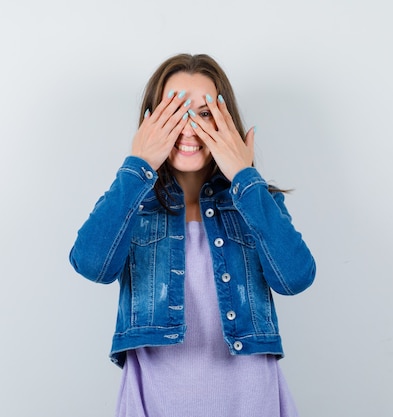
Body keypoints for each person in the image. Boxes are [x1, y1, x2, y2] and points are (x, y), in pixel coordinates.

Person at [69, 53, 316, 417]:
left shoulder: (256, 200)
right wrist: (137, 166)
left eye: (204, 113)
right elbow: (91, 264)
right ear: (150, 122)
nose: (189, 128)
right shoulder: (131, 205)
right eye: (174, 112)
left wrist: (245, 177)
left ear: (225, 122)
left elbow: (295, 278)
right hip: (154, 401)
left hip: (251, 401)